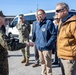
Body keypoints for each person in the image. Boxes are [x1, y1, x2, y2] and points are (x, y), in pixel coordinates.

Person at [32, 9, 56, 75]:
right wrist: (36, 43)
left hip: (47, 48)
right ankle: (43, 73)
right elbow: (36, 35)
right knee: (42, 63)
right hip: (39, 48)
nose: (39, 16)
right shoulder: (37, 24)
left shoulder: (49, 23)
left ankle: (49, 74)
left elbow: (54, 34)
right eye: (38, 15)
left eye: (41, 14)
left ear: (44, 14)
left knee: (48, 64)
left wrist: (48, 44)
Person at [55, 2, 76, 75]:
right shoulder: (61, 22)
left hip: (70, 59)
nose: (56, 13)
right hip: (61, 56)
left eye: (57, 11)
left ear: (64, 10)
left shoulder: (73, 23)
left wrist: (72, 54)